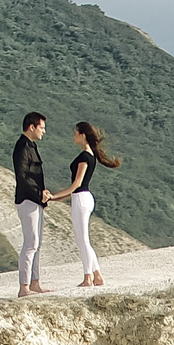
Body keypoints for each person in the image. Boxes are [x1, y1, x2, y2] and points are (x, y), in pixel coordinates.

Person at [47, 121, 121, 288]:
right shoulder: (90, 155)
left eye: (75, 133)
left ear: (82, 135)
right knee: (84, 239)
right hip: (83, 198)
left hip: (81, 198)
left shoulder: (84, 157)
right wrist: (56, 199)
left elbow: (76, 184)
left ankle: (88, 277)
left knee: (83, 240)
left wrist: (54, 196)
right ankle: (97, 276)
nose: (74, 136)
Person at [10, 112, 53, 296]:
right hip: (28, 200)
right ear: (32, 127)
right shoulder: (21, 147)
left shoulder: (32, 146)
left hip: (37, 200)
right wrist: (38, 193)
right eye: (41, 127)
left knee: (38, 243)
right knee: (31, 243)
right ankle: (24, 287)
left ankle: (35, 282)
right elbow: (23, 177)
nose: (44, 131)